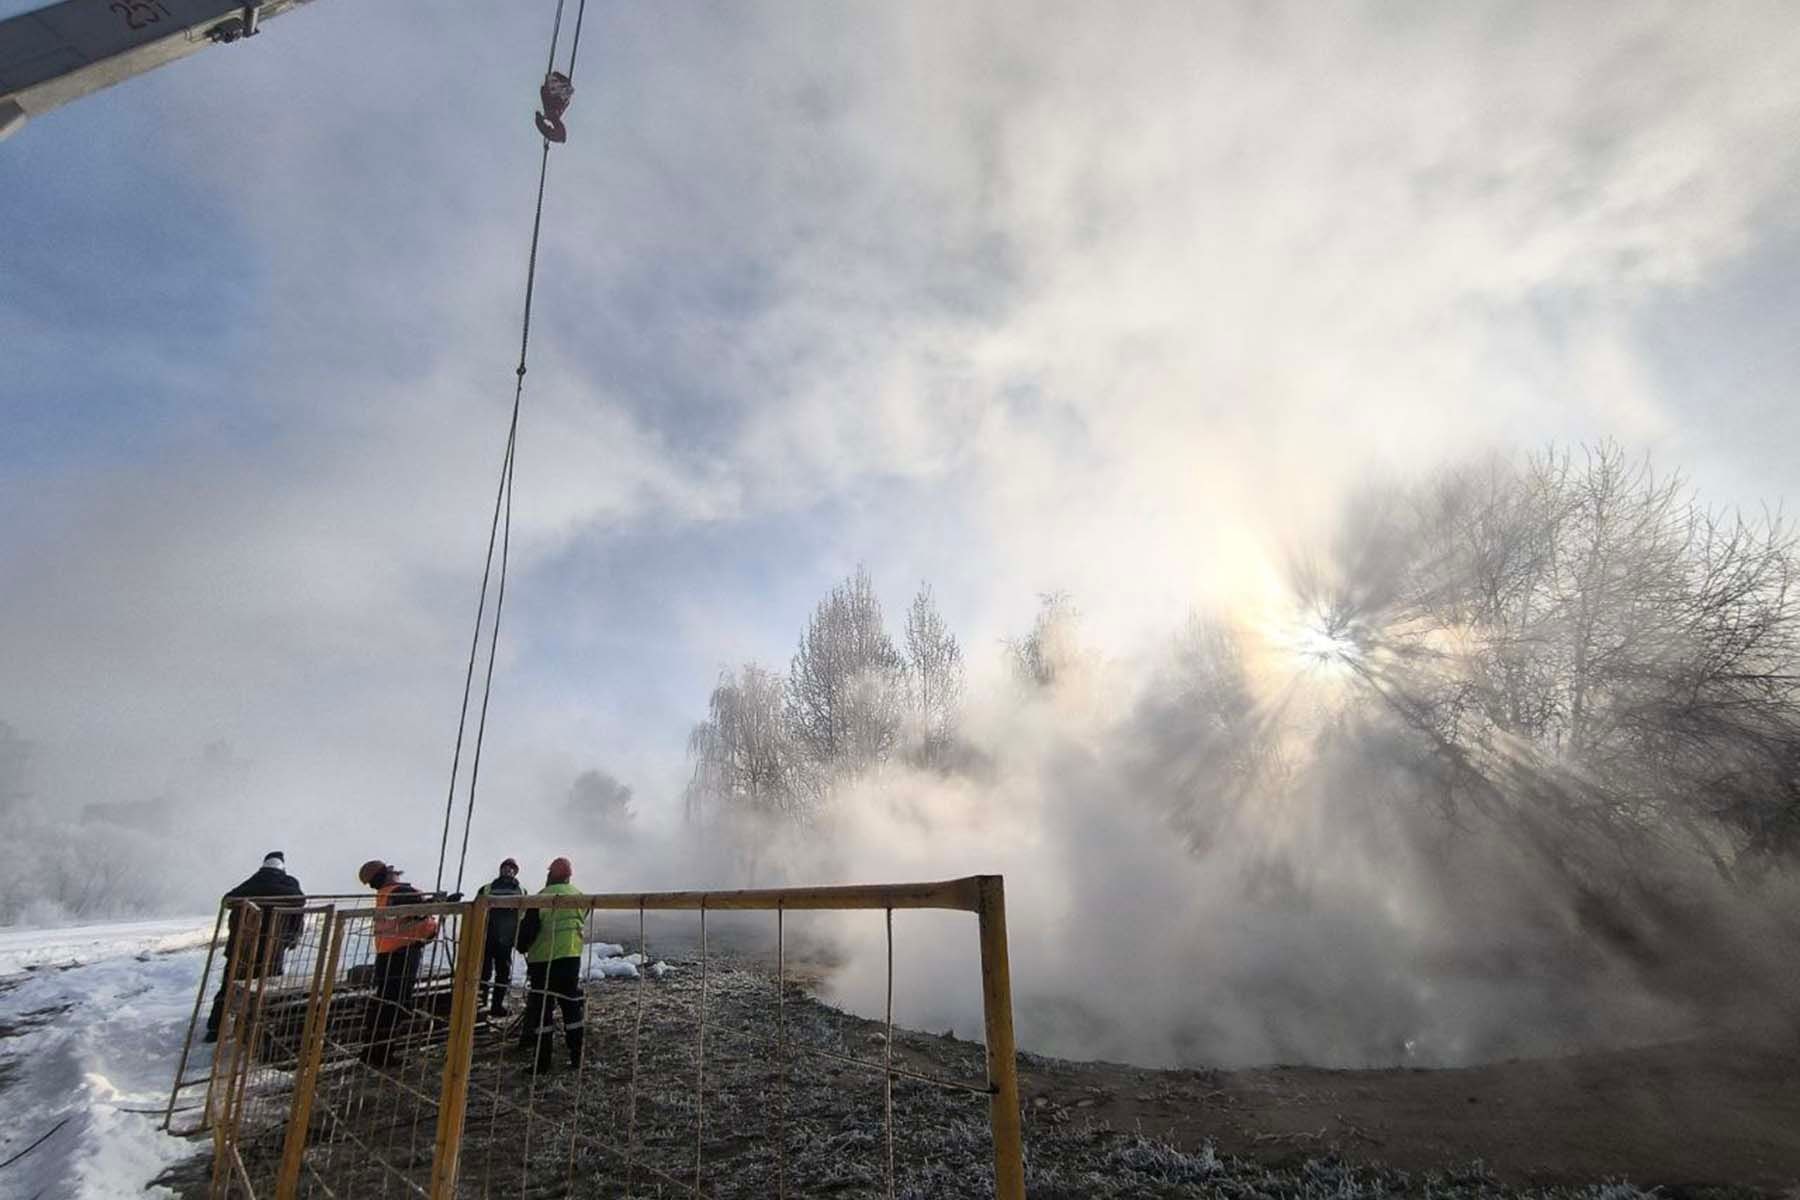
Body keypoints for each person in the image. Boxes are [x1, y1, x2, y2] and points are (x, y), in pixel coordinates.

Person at [204, 851, 304, 1044]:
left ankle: (215, 1029)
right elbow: (300, 902)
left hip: (242, 949)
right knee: (266, 991)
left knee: (230, 987)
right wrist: (292, 938)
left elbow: (228, 899)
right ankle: (258, 1032)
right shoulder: (290, 884)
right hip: (273, 949)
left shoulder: (252, 882)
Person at [358, 858, 439, 1068]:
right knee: (394, 1006)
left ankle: (372, 1051)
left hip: (388, 954)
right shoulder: (398, 892)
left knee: (384, 1004)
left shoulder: (385, 895)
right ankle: (382, 1054)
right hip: (402, 955)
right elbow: (417, 909)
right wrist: (440, 903)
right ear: (386, 874)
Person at [515, 856, 585, 1071]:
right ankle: (576, 1057)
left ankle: (542, 1062)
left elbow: (527, 933)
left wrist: (521, 945)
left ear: (550, 875)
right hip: (571, 958)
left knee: (542, 1011)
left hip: (544, 962)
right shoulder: (580, 896)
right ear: (569, 876)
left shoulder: (542, 898)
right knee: (571, 1007)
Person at [474, 857, 524, 1019]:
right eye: (506, 867)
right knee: (484, 973)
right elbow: (476, 911)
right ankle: (479, 1005)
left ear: (515, 872)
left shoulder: (521, 891)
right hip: (487, 937)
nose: (508, 870)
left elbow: (524, 915)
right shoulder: (487, 889)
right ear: (500, 869)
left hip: (504, 940)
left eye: (511, 868)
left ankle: (495, 1006)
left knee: (502, 974)